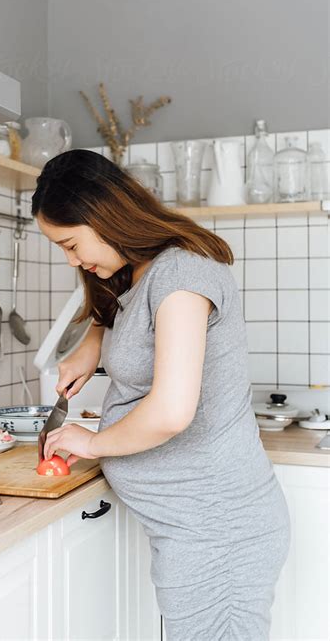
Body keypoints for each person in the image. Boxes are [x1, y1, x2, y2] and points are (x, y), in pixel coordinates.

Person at [32, 149, 290, 641]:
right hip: (192, 530)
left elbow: (172, 411)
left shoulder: (182, 273)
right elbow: (131, 315)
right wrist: (93, 344)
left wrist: (92, 443)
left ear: (102, 216)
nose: (70, 260)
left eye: (70, 244)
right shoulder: (143, 273)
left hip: (219, 533)